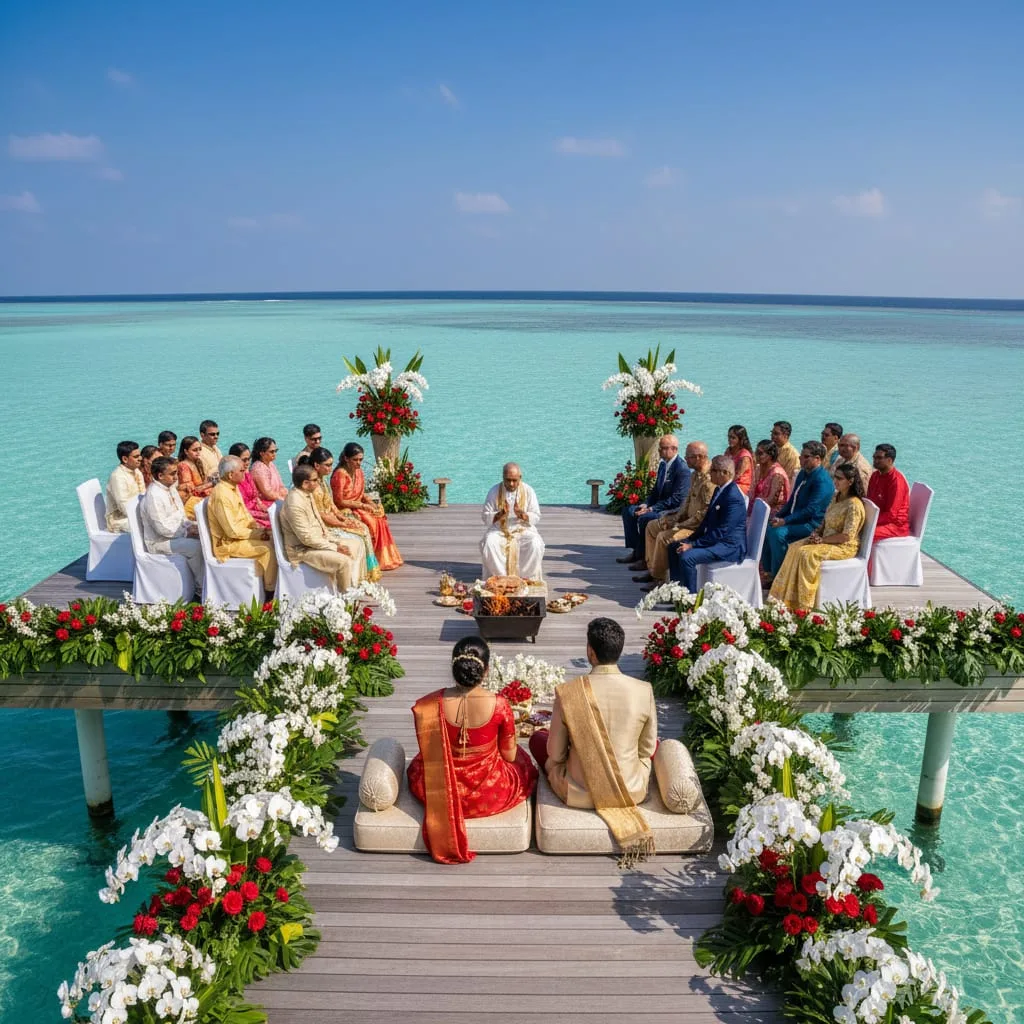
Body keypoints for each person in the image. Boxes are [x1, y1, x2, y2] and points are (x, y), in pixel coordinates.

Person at [530, 618, 657, 865]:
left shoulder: (569, 693)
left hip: (578, 792)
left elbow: (555, 755)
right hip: (630, 790)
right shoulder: (644, 690)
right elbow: (648, 749)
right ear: (619, 651)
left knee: (538, 739)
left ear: (590, 651)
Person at [407, 635, 538, 864]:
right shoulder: (499, 704)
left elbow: (429, 752)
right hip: (489, 793)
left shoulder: (430, 704)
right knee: (523, 761)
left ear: (454, 667)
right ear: (485, 671)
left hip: (439, 790)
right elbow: (509, 755)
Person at [769, 462, 867, 611]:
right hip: (825, 540)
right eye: (835, 477)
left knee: (806, 554)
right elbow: (824, 522)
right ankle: (785, 596)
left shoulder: (854, 505)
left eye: (839, 479)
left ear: (850, 481)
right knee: (795, 547)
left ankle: (803, 603)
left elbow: (846, 536)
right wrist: (816, 534)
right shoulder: (836, 497)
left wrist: (822, 540)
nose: (835, 481)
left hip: (843, 546)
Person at [636, 441, 715, 586]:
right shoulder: (695, 475)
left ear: (699, 458)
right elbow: (686, 503)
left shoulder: (709, 480)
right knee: (652, 526)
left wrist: (680, 524)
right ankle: (652, 568)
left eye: (688, 456)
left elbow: (704, 514)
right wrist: (674, 518)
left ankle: (659, 579)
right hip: (686, 521)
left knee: (663, 537)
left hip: (696, 528)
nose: (685, 458)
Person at [667, 455, 748, 593]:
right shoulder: (719, 490)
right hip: (715, 540)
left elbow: (722, 532)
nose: (710, 473)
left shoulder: (733, 497)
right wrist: (690, 539)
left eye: (713, 470)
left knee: (688, 557)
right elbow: (706, 522)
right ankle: (677, 592)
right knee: (674, 546)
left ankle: (690, 599)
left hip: (728, 546)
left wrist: (693, 545)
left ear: (725, 473)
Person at [297, 447, 377, 581]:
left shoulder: (322, 481)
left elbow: (331, 504)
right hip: (326, 525)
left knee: (363, 528)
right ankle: (354, 579)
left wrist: (341, 516)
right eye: (327, 465)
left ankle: (365, 574)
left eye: (331, 465)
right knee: (360, 533)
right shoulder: (315, 487)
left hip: (333, 518)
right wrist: (340, 523)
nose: (330, 468)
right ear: (316, 465)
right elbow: (321, 514)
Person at [279, 464, 363, 591]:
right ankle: (347, 600)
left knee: (357, 544)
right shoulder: (295, 504)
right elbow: (306, 538)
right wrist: (335, 547)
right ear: (305, 484)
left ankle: (353, 587)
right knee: (344, 562)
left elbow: (319, 522)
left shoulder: (307, 494)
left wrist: (333, 540)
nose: (318, 482)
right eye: (315, 480)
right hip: (303, 550)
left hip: (318, 541)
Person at [762, 441, 835, 583]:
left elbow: (811, 510)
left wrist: (785, 521)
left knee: (778, 534)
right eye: (802, 455)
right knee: (768, 526)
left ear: (818, 459)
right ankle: (769, 572)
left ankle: (781, 577)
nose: (801, 459)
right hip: (795, 520)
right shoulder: (803, 473)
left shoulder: (822, 481)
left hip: (810, 525)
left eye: (806, 457)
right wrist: (779, 516)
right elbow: (792, 501)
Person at [206, 456, 278, 592]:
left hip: (241, 535)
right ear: (231, 475)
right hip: (228, 543)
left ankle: (272, 583)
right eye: (241, 470)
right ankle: (270, 591)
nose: (245, 473)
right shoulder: (222, 494)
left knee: (274, 539)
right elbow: (232, 531)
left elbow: (245, 514)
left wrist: (258, 527)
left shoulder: (233, 487)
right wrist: (258, 534)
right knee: (268, 549)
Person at [617, 435, 689, 568]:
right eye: (659, 448)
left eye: (662, 449)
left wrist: (652, 509)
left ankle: (646, 559)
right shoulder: (663, 465)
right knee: (628, 511)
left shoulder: (682, 469)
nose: (659, 451)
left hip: (671, 510)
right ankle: (636, 551)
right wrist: (646, 504)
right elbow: (656, 490)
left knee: (645, 518)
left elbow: (676, 499)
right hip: (657, 505)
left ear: (673, 449)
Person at [331, 442, 404, 570]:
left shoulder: (358, 472)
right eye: (355, 460)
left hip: (357, 506)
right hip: (344, 509)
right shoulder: (340, 474)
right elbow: (339, 501)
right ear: (346, 459)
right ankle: (371, 561)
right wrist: (363, 506)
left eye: (361, 459)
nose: (359, 463)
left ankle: (383, 558)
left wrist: (370, 502)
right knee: (371, 521)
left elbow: (361, 492)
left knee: (380, 516)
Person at [139, 456, 204, 586]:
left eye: (176, 473)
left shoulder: (170, 488)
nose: (176, 477)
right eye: (173, 474)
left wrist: (193, 526)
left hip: (176, 533)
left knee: (207, 535)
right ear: (160, 475)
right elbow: (162, 528)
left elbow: (181, 515)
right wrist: (187, 532)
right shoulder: (154, 496)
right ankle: (201, 585)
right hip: (159, 542)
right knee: (197, 547)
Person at [480, 462, 544, 579]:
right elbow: (485, 517)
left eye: (514, 480)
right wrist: (500, 514)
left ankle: (526, 578)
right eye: (508, 480)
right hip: (500, 529)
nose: (511, 484)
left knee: (535, 543)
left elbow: (536, 516)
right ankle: (500, 578)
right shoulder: (494, 491)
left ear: (520, 478)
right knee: (490, 542)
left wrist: (523, 515)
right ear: (503, 478)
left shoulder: (529, 491)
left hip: (522, 528)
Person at [867, 443, 911, 540]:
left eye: (879, 458)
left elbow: (891, 515)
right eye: (874, 457)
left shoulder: (896, 481)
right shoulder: (875, 476)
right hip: (877, 519)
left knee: (866, 533)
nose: (875, 460)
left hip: (896, 526)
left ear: (889, 460)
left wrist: (868, 522)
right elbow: (869, 501)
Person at [227, 442, 272, 529]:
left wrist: (263, 507)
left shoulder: (246, 473)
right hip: (245, 514)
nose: (248, 462)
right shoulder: (232, 480)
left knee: (280, 510)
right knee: (273, 523)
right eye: (244, 460)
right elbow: (240, 509)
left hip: (256, 507)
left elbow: (255, 496)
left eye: (249, 459)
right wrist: (263, 515)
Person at [104, 440, 145, 533]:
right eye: (136, 457)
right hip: (119, 520)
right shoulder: (117, 477)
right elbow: (124, 507)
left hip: (138, 513)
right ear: (125, 459)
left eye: (140, 455)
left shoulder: (137, 471)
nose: (141, 458)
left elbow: (143, 495)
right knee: (150, 525)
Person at [749, 439, 791, 517]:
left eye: (760, 453)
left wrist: (755, 508)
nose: (756, 456)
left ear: (770, 455)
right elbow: (752, 490)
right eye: (756, 452)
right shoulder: (759, 468)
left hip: (773, 511)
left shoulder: (777, 474)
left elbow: (771, 500)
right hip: (758, 505)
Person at [176, 436, 214, 520]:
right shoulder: (183, 465)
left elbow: (202, 482)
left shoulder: (198, 462)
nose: (198, 452)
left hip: (201, 496)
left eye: (199, 449)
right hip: (191, 501)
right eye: (194, 450)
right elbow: (191, 490)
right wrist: (212, 484)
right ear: (186, 451)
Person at [250, 437, 289, 503]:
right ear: (262, 453)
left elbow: (281, 485)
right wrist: (283, 499)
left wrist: (286, 494)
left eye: (275, 451)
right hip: (266, 502)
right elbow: (268, 494)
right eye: (272, 452)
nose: (274, 454)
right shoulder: (258, 469)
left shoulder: (270, 464)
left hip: (277, 498)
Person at [725, 425, 754, 495]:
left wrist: (723, 484)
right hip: (729, 482)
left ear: (740, 439)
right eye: (729, 437)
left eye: (733, 438)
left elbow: (737, 475)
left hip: (741, 486)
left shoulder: (744, 456)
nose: (729, 440)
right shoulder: (728, 451)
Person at [770, 421, 801, 485]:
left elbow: (788, 479)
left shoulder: (793, 455)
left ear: (786, 436)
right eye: (772, 433)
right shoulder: (770, 448)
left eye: (776, 434)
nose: (772, 436)